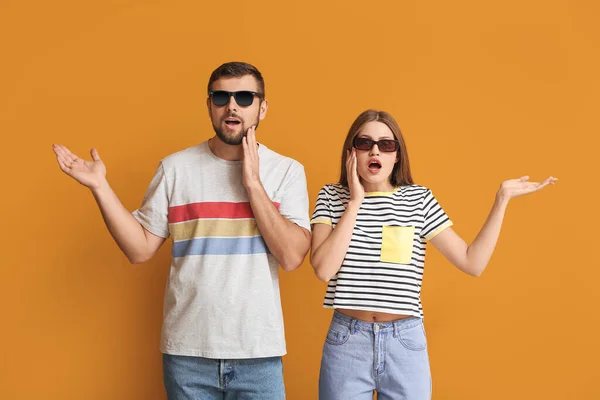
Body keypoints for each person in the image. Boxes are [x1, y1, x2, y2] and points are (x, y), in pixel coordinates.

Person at [52, 61, 311, 400]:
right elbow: (139, 249)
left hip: (257, 355)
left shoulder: (287, 171)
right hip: (188, 357)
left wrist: (252, 183)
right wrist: (100, 187)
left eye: (245, 97)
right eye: (221, 97)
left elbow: (292, 257)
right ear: (209, 106)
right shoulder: (176, 169)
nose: (232, 105)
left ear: (262, 108)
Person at [310, 109, 556, 400]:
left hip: (405, 342)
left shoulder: (419, 199)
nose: (375, 150)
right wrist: (354, 204)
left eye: (386, 145)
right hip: (347, 342)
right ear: (351, 152)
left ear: (397, 155)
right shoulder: (331, 196)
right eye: (365, 143)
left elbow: (472, 262)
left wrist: (501, 200)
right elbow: (324, 269)